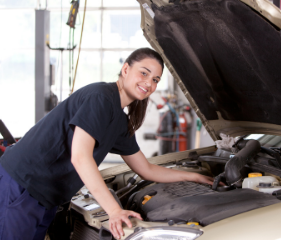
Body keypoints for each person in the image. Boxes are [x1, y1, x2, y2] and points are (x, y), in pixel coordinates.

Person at [0, 48, 214, 240]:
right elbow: (80, 156)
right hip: (22, 185)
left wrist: (194, 176)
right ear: (125, 69)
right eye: (144, 73)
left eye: (156, 79)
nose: (149, 83)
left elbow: (146, 169)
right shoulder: (100, 97)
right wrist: (113, 210)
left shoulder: (121, 122)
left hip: (46, 197)